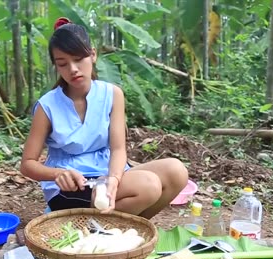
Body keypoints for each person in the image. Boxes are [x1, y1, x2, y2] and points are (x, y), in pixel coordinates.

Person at [20, 17, 188, 219]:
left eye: (78, 59)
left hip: (107, 173)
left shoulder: (112, 94)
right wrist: (57, 174)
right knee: (149, 186)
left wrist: (114, 180)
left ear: (92, 55)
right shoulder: (47, 106)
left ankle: (119, 226)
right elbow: (27, 164)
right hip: (73, 184)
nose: (72, 69)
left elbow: (118, 149)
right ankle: (95, 229)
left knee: (176, 171)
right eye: (63, 63)